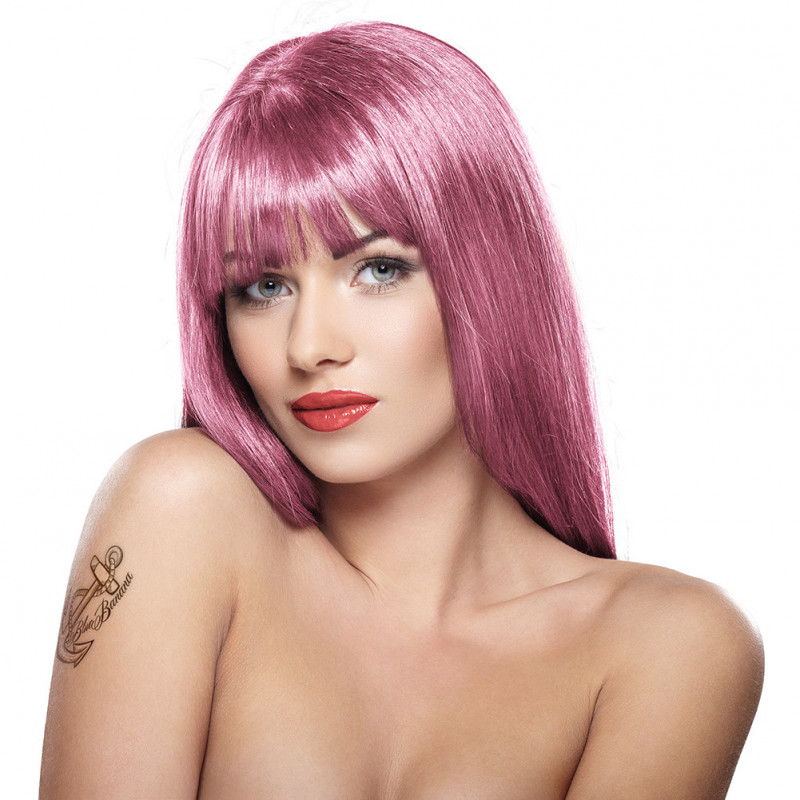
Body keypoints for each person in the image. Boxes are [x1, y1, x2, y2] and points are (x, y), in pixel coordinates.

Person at [40, 21, 763, 799]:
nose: (310, 346)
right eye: (264, 286)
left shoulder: (667, 646)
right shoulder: (182, 509)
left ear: (492, 272)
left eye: (378, 270)